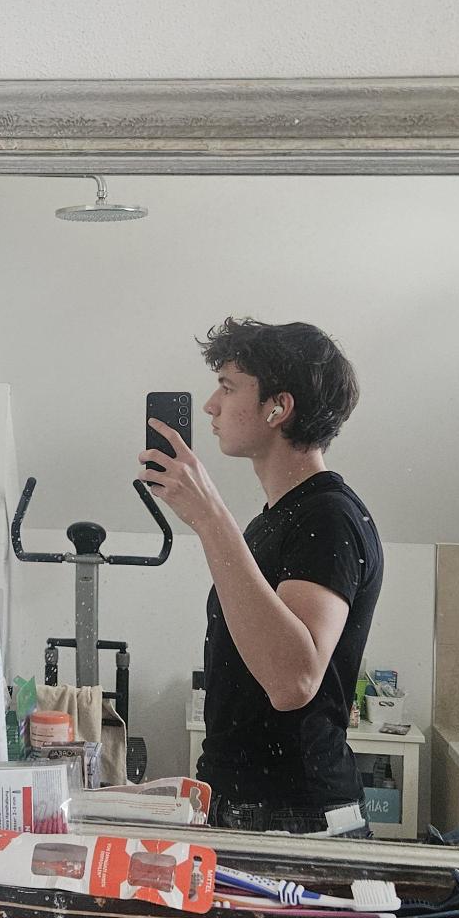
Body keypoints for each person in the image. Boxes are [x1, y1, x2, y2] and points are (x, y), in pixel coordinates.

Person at [139, 317, 383, 835]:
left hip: (299, 822)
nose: (211, 405)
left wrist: (210, 518)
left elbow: (293, 681)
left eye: (228, 387)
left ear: (278, 407)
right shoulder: (274, 519)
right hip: (248, 812)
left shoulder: (329, 516)